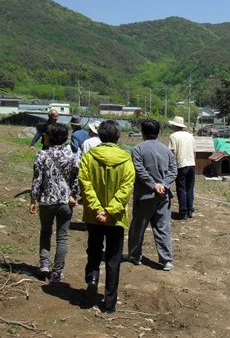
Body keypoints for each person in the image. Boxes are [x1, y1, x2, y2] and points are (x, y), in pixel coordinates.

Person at [78, 120, 135, 314]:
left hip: (93, 217)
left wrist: (98, 210)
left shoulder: (88, 157)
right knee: (113, 257)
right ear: (118, 137)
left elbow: (85, 185)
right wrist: (110, 211)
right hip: (116, 218)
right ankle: (109, 302)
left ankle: (92, 279)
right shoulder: (126, 159)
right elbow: (126, 189)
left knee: (93, 249)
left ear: (99, 136)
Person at [29, 122, 79, 283]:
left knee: (45, 232)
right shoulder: (71, 155)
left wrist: (33, 200)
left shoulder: (41, 155)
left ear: (49, 137)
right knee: (62, 237)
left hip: (46, 201)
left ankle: (44, 264)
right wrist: (74, 195)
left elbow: (37, 180)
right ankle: (57, 272)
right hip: (65, 201)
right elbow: (77, 178)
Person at [127, 119, 177, 271]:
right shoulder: (166, 150)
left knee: (138, 227)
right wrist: (164, 184)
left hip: (145, 196)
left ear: (143, 132)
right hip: (163, 196)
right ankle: (166, 260)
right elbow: (173, 170)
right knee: (162, 227)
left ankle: (135, 256)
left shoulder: (138, 149)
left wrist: (153, 185)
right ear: (158, 132)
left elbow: (139, 170)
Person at [168, 116, 196, 219]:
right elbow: (194, 151)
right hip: (191, 163)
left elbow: (173, 152)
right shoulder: (190, 136)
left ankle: (183, 211)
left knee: (181, 188)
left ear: (175, 125)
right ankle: (190, 209)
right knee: (190, 188)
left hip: (181, 164)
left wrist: (171, 166)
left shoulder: (173, 136)